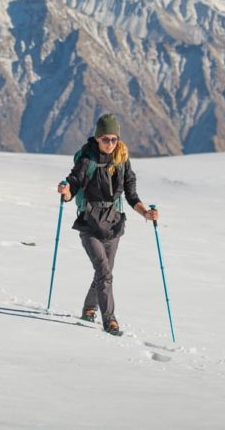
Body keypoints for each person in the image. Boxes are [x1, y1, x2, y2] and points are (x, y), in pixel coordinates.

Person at [56, 113, 158, 336]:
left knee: (105, 271)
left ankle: (89, 308)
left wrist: (146, 213)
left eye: (114, 139)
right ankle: (109, 320)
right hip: (89, 223)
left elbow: (131, 194)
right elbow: (74, 181)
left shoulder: (122, 160)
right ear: (97, 137)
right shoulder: (87, 159)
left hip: (113, 223)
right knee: (104, 271)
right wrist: (65, 193)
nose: (110, 144)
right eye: (105, 139)